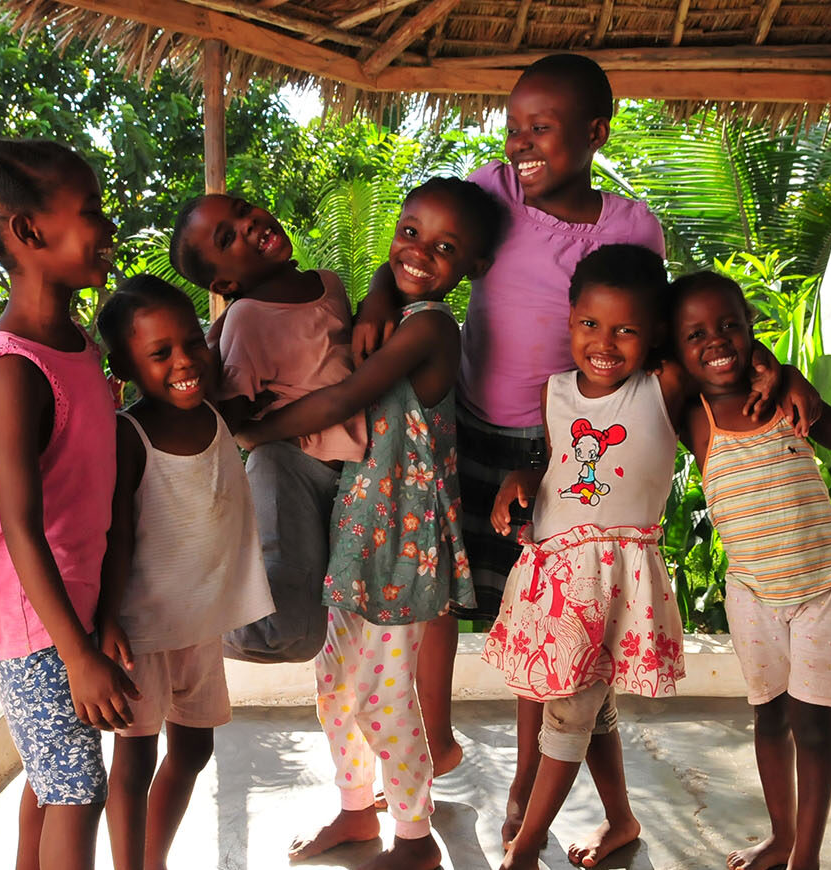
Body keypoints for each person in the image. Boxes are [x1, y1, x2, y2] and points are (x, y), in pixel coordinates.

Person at [350, 54, 676, 829]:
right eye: (514, 126)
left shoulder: (632, 227)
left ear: (596, 132)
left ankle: (528, 777)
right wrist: (372, 296)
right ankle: (437, 736)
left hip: (557, 449)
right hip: (461, 423)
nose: (521, 142)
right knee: (436, 585)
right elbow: (419, 255)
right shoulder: (494, 189)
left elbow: (645, 336)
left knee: (533, 615)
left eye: (542, 128)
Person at [234, 178, 504, 870]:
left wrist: (250, 431)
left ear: (471, 268)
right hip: (356, 530)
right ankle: (357, 813)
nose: (418, 252)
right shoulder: (396, 307)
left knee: (385, 701)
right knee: (334, 692)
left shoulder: (433, 327)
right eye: (409, 232)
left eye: (445, 247)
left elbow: (346, 395)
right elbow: (393, 275)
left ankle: (413, 840)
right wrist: (384, 285)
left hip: (403, 542)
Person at [483, 243, 779, 869]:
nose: (605, 342)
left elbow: (724, 350)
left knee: (572, 711)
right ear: (569, 319)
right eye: (590, 324)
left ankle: (525, 849)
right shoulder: (554, 390)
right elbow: (557, 463)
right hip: (555, 574)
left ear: (654, 337)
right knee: (584, 705)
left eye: (627, 330)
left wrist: (788, 373)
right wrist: (522, 476)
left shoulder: (664, 384)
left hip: (614, 577)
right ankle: (619, 820)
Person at [0, 138, 135, 870]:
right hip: (30, 625)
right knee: (77, 793)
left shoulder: (77, 345)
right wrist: (77, 653)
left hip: (68, 611)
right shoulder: (11, 370)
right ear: (29, 232)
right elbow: (20, 529)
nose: (107, 227)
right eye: (89, 212)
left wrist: (101, 621)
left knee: (56, 778)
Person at [668, 271, 831, 870]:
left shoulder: (791, 402)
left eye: (730, 326)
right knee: (769, 715)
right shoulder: (693, 419)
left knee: (813, 726)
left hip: (818, 586)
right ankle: (782, 837)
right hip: (752, 592)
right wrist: (779, 367)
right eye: (695, 334)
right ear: (677, 349)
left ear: (750, 329)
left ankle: (805, 857)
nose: (716, 341)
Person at [93, 276, 276, 870]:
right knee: (136, 758)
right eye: (159, 353)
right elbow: (117, 533)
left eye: (192, 342)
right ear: (124, 367)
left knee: (193, 747)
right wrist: (108, 618)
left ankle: (152, 858)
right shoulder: (130, 432)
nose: (184, 362)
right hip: (143, 628)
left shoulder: (217, 415)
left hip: (200, 623)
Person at [168, 193, 368, 664]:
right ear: (225, 281)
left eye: (242, 209)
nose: (248, 223)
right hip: (289, 467)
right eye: (227, 237)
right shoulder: (246, 317)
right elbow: (234, 423)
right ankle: (181, 621)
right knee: (285, 629)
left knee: (312, 632)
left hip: (351, 474)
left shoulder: (327, 283)